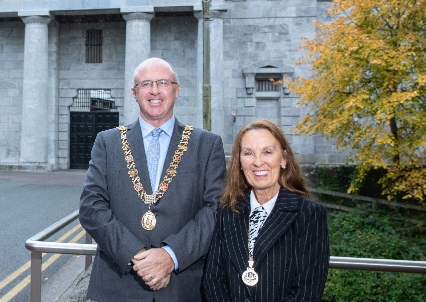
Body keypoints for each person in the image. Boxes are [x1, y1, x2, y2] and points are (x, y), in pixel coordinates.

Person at [80, 57, 226, 301]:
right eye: (146, 84)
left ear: (177, 90)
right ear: (134, 93)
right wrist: (137, 256)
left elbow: (215, 210)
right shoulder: (107, 142)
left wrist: (171, 256)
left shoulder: (207, 144)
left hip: (185, 287)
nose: (155, 91)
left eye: (163, 82)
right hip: (119, 285)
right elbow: (91, 207)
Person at [202, 119, 329, 301]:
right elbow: (213, 280)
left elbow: (307, 292)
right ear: (239, 161)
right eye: (248, 153)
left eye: (267, 152)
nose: (258, 162)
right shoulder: (227, 212)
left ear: (284, 158)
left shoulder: (309, 215)